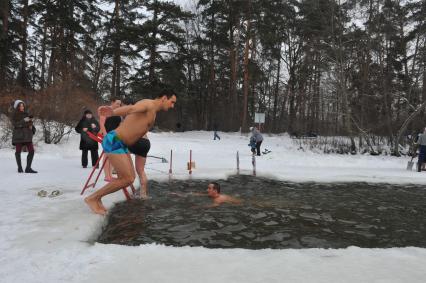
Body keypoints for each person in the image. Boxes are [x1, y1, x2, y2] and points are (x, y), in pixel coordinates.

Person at [84, 89, 177, 215]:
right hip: (114, 140)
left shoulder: (153, 111)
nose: (172, 106)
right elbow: (131, 109)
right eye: (172, 102)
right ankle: (92, 198)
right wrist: (112, 112)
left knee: (130, 178)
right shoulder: (148, 104)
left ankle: (97, 198)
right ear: (164, 98)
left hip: (122, 144)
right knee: (127, 178)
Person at [99, 97, 122, 182]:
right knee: (107, 154)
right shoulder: (105, 110)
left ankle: (110, 174)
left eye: (120, 104)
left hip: (115, 135)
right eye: (117, 103)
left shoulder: (118, 113)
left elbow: (119, 125)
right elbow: (101, 123)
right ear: (112, 102)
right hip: (107, 134)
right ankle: (107, 176)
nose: (119, 105)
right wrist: (105, 135)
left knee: (114, 155)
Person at [12, 100, 37, 173]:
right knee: (18, 152)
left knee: (31, 151)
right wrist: (24, 120)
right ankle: (19, 168)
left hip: (27, 135)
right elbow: (16, 124)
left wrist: (32, 127)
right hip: (18, 135)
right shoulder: (14, 115)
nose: (22, 107)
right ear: (17, 107)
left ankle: (28, 168)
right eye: (20, 106)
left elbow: (30, 123)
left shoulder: (26, 114)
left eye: (22, 105)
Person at [171, 182, 241, 207]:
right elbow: (200, 194)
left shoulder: (218, 199)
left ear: (215, 190)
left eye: (209, 188)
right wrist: (181, 194)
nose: (207, 190)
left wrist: (198, 207)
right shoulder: (213, 195)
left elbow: (214, 205)